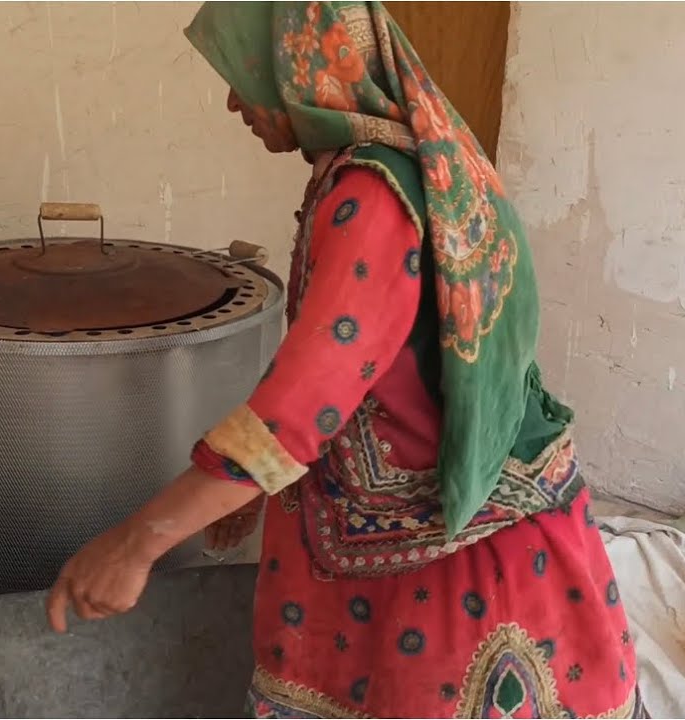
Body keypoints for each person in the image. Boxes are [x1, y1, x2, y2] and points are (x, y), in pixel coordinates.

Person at [46, 2, 645, 717]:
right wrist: (252, 487)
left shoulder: (373, 197)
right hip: (385, 533)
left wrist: (138, 542)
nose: (235, 99)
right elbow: (340, 365)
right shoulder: (384, 169)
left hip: (451, 561)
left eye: (245, 74)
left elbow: (300, 408)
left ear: (297, 68)